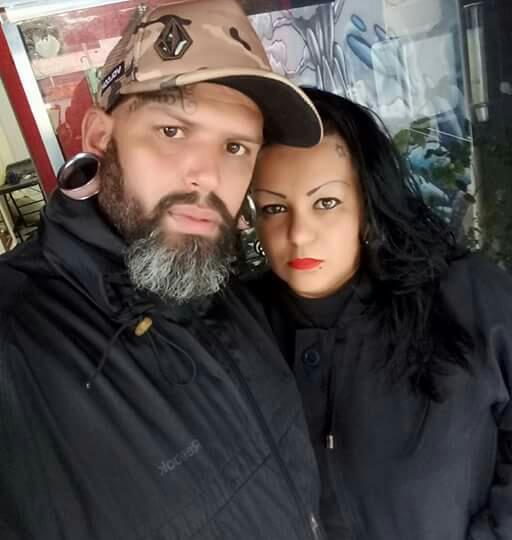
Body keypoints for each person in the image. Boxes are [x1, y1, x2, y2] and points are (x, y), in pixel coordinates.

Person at [0, 2, 327, 539]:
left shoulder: (220, 285)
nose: (208, 177)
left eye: (236, 146)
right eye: (172, 130)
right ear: (100, 138)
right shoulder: (17, 344)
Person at [249, 87, 512, 540]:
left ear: (367, 204)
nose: (299, 233)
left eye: (326, 202)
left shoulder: (465, 296)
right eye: (274, 207)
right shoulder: (241, 328)